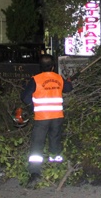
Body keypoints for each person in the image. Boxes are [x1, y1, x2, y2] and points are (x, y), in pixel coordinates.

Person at [20, 54, 73, 188]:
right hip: (57, 117)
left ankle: (35, 173)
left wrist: (34, 107)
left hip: (42, 118)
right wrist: (69, 81)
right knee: (55, 142)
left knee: (37, 145)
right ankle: (55, 169)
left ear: (40, 67)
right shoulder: (58, 78)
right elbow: (68, 88)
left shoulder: (36, 80)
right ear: (53, 67)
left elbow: (25, 97)